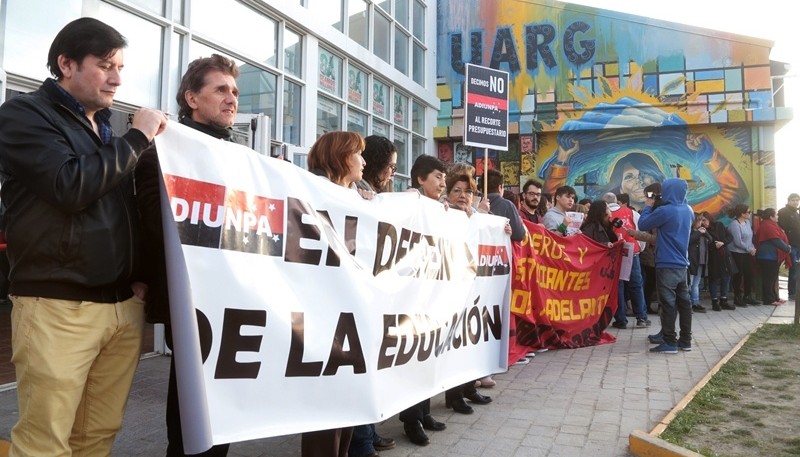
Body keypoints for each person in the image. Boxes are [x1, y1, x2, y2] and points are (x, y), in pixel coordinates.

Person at [0, 17, 167, 456]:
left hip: (120, 308)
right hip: (57, 307)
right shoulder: (23, 114)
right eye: (106, 65)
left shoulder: (107, 130)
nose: (116, 78)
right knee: (45, 442)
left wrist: (140, 280)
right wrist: (138, 137)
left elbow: (130, 213)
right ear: (66, 64)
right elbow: (68, 186)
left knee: (97, 436)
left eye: (120, 68)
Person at [136, 53, 241, 457]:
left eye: (233, 91)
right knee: (192, 416)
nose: (231, 98)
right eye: (220, 90)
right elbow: (150, 227)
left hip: (235, 302)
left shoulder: (244, 160)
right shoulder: (164, 152)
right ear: (191, 99)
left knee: (224, 411)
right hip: (192, 305)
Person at [302, 130, 379, 456]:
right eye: (357, 154)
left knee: (346, 410)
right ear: (338, 157)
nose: (363, 161)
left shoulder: (357, 195)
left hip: (349, 319)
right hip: (321, 318)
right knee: (325, 415)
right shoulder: (309, 191)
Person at [349, 134, 397, 456]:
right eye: (390, 166)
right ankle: (361, 442)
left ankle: (367, 433)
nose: (392, 173)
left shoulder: (376, 195)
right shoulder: (351, 194)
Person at [441, 173, 494, 415]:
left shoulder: (477, 218)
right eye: (457, 191)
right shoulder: (441, 214)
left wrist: (499, 228)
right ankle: (454, 396)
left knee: (470, 342)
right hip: (448, 291)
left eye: (468, 192)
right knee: (453, 346)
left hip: (473, 292)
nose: (463, 196)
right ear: (448, 194)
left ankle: (468, 388)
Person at [638, 178, 694, 353]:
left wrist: (648, 204)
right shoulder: (688, 210)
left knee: (668, 303)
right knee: (685, 303)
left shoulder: (666, 210)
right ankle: (685, 340)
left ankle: (669, 341)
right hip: (682, 263)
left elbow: (643, 224)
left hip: (666, 262)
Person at [604, 192, 651, 328]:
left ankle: (621, 319)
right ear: (617, 201)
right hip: (631, 251)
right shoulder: (630, 212)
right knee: (636, 284)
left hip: (613, 253)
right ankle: (641, 317)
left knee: (618, 286)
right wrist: (639, 249)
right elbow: (641, 229)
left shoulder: (605, 215)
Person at [754, 208, 792, 306]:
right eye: (776, 215)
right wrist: (787, 248)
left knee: (773, 278)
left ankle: (775, 297)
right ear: (771, 217)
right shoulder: (767, 226)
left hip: (772, 256)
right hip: (767, 256)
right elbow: (776, 240)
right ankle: (769, 299)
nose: (778, 216)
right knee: (769, 278)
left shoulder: (771, 225)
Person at [702, 211, 736, 311]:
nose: (704, 222)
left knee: (726, 277)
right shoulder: (703, 230)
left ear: (709, 218)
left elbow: (730, 237)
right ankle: (714, 301)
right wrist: (713, 245)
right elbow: (705, 244)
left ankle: (723, 300)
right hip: (712, 257)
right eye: (702, 221)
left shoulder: (719, 225)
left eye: (705, 220)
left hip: (724, 255)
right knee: (714, 279)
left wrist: (722, 242)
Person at [479, 169, 526, 242]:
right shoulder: (507, 206)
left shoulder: (474, 204)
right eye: (503, 187)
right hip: (499, 251)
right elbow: (519, 235)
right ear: (499, 188)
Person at [727, 204, 760, 307]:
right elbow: (737, 241)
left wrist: (753, 247)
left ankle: (748, 296)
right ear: (742, 214)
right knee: (738, 274)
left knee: (749, 274)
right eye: (748, 212)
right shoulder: (734, 224)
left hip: (747, 252)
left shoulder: (747, 223)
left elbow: (750, 237)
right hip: (737, 253)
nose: (750, 214)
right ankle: (738, 297)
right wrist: (749, 249)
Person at [777, 193, 800, 300]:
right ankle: (792, 293)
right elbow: (782, 228)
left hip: (798, 244)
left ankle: (796, 292)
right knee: (793, 269)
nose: (796, 202)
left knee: (797, 269)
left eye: (797, 200)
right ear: (789, 200)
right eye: (793, 200)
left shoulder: (797, 213)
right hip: (790, 245)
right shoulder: (783, 212)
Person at [688, 213, 712, 313]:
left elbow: (710, 240)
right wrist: (698, 232)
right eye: (699, 220)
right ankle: (688, 304)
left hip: (701, 261)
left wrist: (705, 232)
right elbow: (689, 241)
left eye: (702, 220)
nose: (701, 223)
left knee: (696, 284)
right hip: (692, 261)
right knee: (689, 283)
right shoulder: (689, 231)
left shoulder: (702, 231)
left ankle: (695, 303)